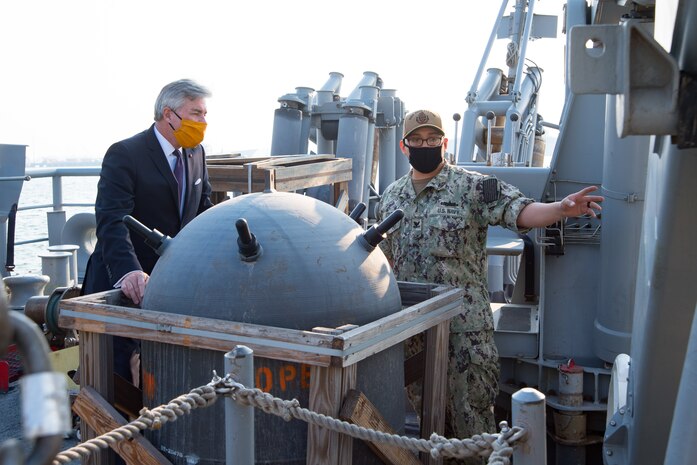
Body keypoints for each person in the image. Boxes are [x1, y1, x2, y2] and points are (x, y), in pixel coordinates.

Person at [377, 109, 602, 464]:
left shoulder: (472, 186)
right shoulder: (391, 197)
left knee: (474, 428)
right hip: (416, 333)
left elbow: (519, 211)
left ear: (444, 143)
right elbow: (383, 259)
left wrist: (560, 208)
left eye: (432, 139)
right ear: (405, 147)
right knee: (431, 430)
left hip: (465, 334)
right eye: (417, 140)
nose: (425, 145)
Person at [82, 79, 214, 385]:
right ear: (169, 114)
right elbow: (112, 218)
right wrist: (129, 271)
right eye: (196, 113)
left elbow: (202, 209)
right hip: (122, 277)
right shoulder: (126, 153)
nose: (203, 122)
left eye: (205, 114)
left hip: (166, 280)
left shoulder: (196, 153)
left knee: (157, 372)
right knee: (117, 376)